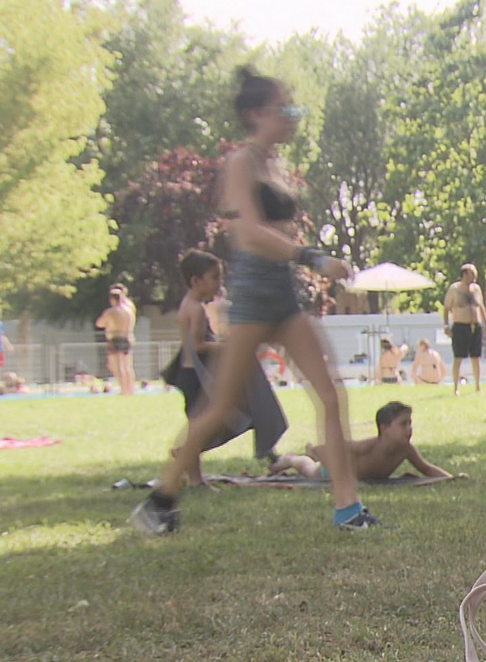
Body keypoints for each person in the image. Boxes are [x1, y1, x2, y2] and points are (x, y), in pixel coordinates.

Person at [129, 66, 380, 534]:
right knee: (220, 408)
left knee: (329, 394)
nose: (291, 116)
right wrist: (310, 256)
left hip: (283, 295)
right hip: (251, 297)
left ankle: (347, 509)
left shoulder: (273, 165)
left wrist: (304, 252)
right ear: (255, 113)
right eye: (283, 108)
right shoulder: (241, 162)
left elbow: (276, 228)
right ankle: (161, 498)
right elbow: (245, 232)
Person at [166, 250, 287, 486]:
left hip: (190, 373)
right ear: (195, 280)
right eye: (214, 277)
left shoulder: (187, 304)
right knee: (219, 422)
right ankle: (192, 471)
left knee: (204, 425)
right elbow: (198, 345)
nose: (219, 283)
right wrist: (228, 346)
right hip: (196, 376)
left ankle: (192, 471)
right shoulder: (197, 310)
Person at [270, 401, 466, 481]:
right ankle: (291, 459)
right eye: (403, 424)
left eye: (410, 423)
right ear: (385, 429)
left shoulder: (406, 449)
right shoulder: (368, 446)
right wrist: (317, 451)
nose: (409, 429)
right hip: (332, 472)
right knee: (308, 467)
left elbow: (426, 468)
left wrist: (451, 478)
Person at [443, 262, 486, 395]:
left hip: (475, 326)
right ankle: (455, 388)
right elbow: (446, 308)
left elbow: (481, 307)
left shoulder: (476, 289)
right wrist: (446, 325)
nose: (474, 275)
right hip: (460, 326)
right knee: (458, 357)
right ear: (464, 274)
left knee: (475, 357)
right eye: (472, 272)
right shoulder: (454, 289)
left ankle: (477, 386)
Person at [95, 289, 136, 395]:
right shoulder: (129, 311)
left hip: (115, 338)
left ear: (112, 299)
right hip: (127, 338)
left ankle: (123, 390)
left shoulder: (111, 311)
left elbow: (99, 323)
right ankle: (130, 389)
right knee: (127, 366)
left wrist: (109, 324)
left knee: (117, 366)